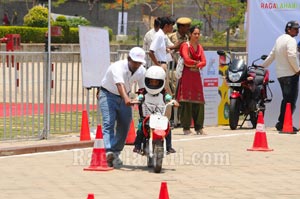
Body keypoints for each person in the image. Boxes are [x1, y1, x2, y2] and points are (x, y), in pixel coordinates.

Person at [98, 47, 147, 168]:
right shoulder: (117, 67)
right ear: (129, 58)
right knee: (108, 122)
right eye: (135, 61)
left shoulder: (141, 71)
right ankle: (108, 151)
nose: (137, 65)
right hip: (108, 94)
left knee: (125, 125)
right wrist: (127, 99)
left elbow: (143, 88)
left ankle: (115, 153)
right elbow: (120, 85)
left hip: (126, 97)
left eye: (139, 62)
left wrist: (142, 98)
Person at [262, 20, 300, 132]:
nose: (297, 31)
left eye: (298, 29)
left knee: (286, 99)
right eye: (295, 29)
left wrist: (263, 65)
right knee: (290, 101)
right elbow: (292, 56)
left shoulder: (279, 39)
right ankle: (284, 123)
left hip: (281, 75)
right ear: (288, 29)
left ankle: (281, 122)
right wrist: (298, 69)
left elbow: (272, 55)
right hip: (291, 74)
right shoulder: (291, 40)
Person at [133, 65, 177, 154]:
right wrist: (137, 100)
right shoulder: (143, 92)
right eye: (151, 81)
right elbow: (139, 98)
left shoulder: (164, 93)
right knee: (140, 128)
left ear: (161, 82)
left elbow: (169, 98)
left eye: (156, 82)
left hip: (159, 118)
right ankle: (137, 146)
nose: (153, 84)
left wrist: (173, 102)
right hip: (146, 118)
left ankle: (169, 147)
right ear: (147, 81)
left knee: (167, 128)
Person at [176, 26, 207, 135]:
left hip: (196, 76)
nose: (197, 36)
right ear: (190, 34)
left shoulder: (200, 47)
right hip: (187, 76)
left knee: (199, 101)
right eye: (195, 34)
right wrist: (197, 63)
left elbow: (204, 61)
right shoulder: (185, 45)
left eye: (198, 34)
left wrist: (196, 64)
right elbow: (186, 60)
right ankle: (186, 127)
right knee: (186, 101)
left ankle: (199, 128)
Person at [148, 16, 175, 95]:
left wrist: (165, 49)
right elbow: (151, 52)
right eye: (171, 26)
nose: (172, 28)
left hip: (162, 64)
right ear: (166, 26)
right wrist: (158, 65)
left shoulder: (162, 35)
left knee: (163, 90)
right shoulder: (159, 35)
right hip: (160, 64)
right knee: (164, 90)